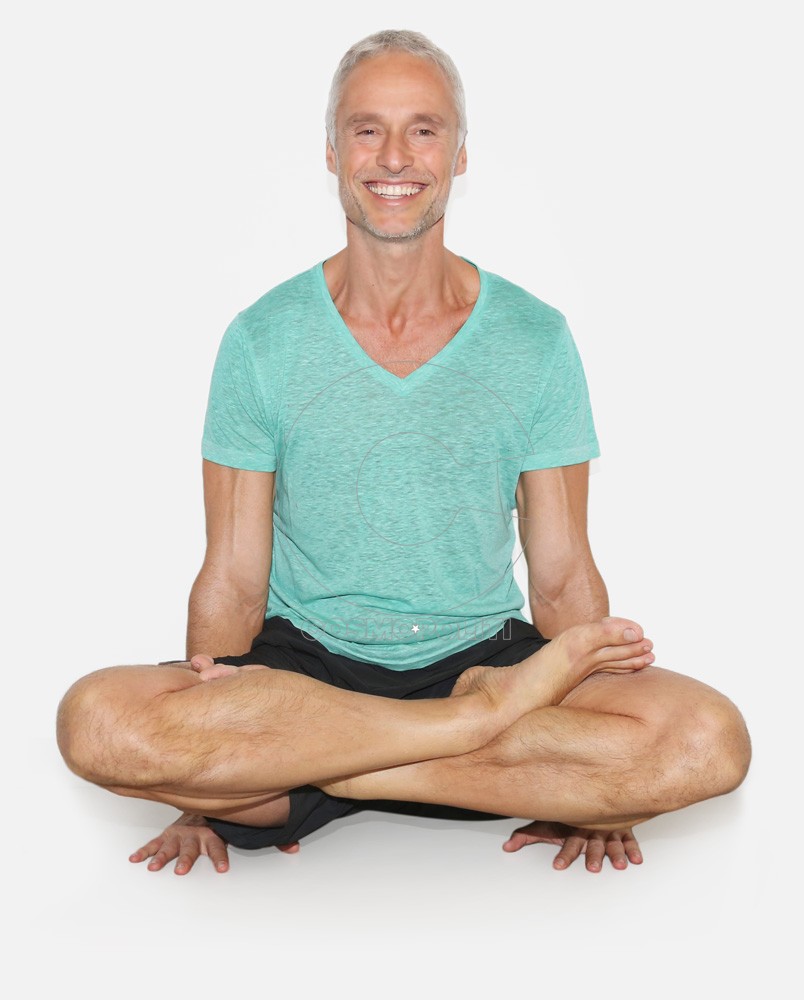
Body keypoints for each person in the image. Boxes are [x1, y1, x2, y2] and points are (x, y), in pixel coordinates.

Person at [56, 29, 751, 876]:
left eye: (424, 129)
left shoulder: (534, 339)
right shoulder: (262, 340)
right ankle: (463, 738)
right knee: (95, 719)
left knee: (709, 738)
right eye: (367, 129)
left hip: (479, 662)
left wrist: (225, 767)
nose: (395, 156)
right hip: (305, 677)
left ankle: (359, 767)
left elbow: (562, 572)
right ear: (332, 150)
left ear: (460, 154)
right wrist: (200, 754)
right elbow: (234, 575)